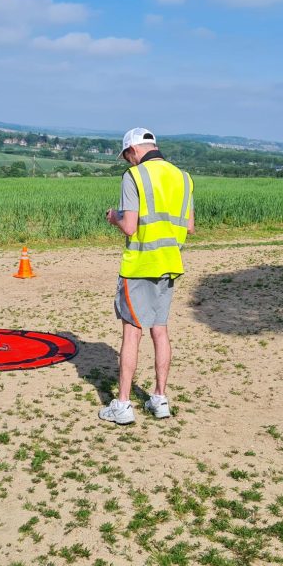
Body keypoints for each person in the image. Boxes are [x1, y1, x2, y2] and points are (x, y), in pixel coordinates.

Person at [100, 127, 194, 425]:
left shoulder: (134, 176)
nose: (128, 162)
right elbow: (189, 226)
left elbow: (129, 227)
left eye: (127, 156)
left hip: (140, 264)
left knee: (132, 332)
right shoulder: (183, 177)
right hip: (170, 263)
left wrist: (114, 217)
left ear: (133, 150)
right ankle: (159, 399)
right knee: (160, 330)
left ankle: (123, 404)